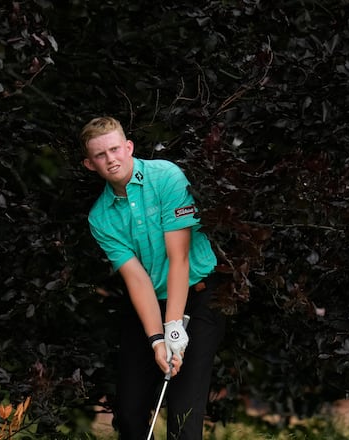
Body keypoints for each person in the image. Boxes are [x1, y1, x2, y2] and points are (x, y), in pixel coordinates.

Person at [80, 116, 225, 440]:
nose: (111, 159)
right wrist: (157, 339)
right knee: (130, 415)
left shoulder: (167, 177)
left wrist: (173, 326)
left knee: (183, 418)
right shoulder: (101, 217)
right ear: (90, 164)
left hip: (197, 297)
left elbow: (180, 259)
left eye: (115, 149)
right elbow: (138, 280)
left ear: (128, 147)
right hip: (149, 305)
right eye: (100, 155)